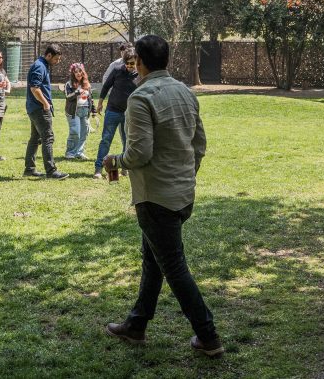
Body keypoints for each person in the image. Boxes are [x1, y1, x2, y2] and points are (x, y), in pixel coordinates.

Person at [103, 35, 222, 357]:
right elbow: (199, 144)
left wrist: (116, 161)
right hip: (182, 192)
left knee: (173, 267)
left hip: (156, 197)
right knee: (153, 259)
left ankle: (208, 336)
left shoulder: (141, 98)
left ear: (139, 62)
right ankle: (137, 325)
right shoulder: (184, 91)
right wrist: (186, 175)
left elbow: (140, 153)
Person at [24, 44, 67, 180]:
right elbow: (35, 88)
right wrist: (45, 103)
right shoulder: (39, 66)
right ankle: (51, 171)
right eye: (56, 59)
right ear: (49, 55)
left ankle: (29, 169)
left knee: (35, 138)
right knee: (48, 138)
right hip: (39, 109)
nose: (57, 62)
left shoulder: (42, 65)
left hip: (34, 108)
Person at [93, 48, 138, 180]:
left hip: (128, 113)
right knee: (106, 140)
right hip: (112, 110)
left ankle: (125, 168)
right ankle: (98, 169)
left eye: (132, 63)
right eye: (127, 63)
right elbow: (106, 86)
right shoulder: (117, 70)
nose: (129, 66)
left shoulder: (139, 75)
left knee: (127, 142)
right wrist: (100, 103)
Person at [63, 63, 94, 161]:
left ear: (83, 72)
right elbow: (67, 96)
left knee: (84, 132)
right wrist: (77, 92)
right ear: (73, 73)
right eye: (76, 72)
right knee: (75, 132)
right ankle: (70, 153)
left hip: (85, 111)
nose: (78, 73)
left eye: (80, 71)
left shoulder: (87, 84)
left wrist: (93, 111)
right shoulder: (69, 84)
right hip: (73, 111)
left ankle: (79, 152)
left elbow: (91, 99)